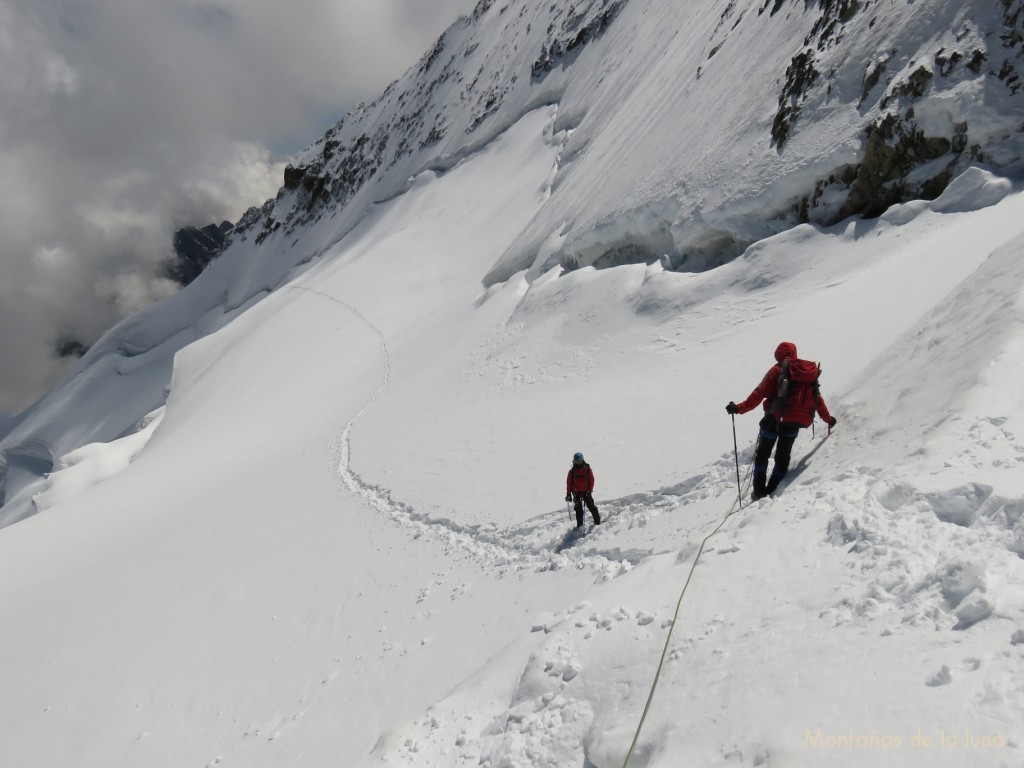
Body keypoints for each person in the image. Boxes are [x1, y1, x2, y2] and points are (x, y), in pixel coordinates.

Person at [726, 341, 836, 500]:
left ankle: (758, 491)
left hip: (773, 421)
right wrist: (829, 419)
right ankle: (773, 488)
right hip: (793, 422)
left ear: (778, 354)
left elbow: (759, 393)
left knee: (763, 454)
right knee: (783, 456)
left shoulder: (777, 370)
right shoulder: (805, 374)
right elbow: (817, 399)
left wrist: (739, 408)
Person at [565, 452, 601, 528]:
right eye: (577, 461)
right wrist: (568, 494)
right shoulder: (571, 472)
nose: (578, 462)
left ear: (582, 460)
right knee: (578, 510)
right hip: (576, 493)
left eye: (580, 461)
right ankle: (579, 526)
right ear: (574, 461)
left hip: (586, 492)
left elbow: (591, 480)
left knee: (592, 507)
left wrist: (589, 490)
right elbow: (569, 483)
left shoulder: (587, 470)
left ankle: (597, 522)